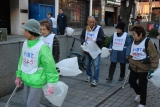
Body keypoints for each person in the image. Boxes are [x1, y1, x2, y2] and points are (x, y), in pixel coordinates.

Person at [14, 19, 59, 107]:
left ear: (31, 32)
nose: (24, 32)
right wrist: (18, 76)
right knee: (28, 102)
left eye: (25, 30)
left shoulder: (42, 47)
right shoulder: (25, 43)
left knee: (31, 104)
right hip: (26, 77)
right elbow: (22, 61)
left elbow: (50, 66)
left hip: (36, 80)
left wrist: (51, 84)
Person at [129, 25, 159, 107]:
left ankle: (143, 103)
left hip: (144, 68)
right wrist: (130, 63)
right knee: (131, 81)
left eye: (134, 34)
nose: (133, 36)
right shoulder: (134, 41)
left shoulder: (148, 42)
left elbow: (154, 56)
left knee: (142, 86)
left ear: (140, 34)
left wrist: (152, 69)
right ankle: (139, 93)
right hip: (134, 67)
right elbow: (132, 54)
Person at [80, 16, 105, 87]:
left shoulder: (99, 29)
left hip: (96, 50)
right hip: (88, 50)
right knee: (87, 64)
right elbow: (82, 37)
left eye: (93, 22)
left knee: (96, 65)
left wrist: (96, 40)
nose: (92, 23)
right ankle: (89, 76)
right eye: (90, 22)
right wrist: (83, 42)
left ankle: (95, 80)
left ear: (95, 22)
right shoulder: (85, 29)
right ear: (87, 22)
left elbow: (102, 38)